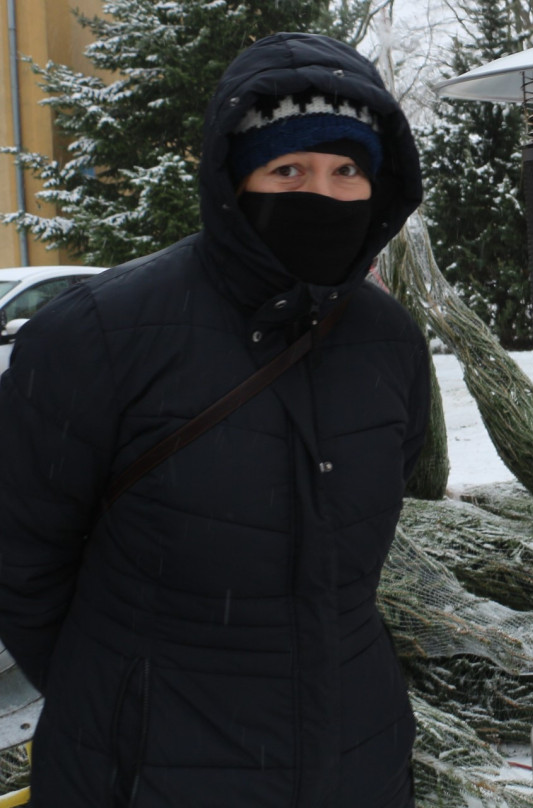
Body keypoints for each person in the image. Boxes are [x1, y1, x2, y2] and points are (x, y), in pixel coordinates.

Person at [0, 32, 428, 807]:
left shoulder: (387, 341)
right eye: (288, 168)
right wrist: (129, 693)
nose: (321, 195)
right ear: (235, 179)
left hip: (354, 756)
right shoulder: (97, 335)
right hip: (147, 767)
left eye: (347, 171)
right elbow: (22, 562)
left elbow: (371, 521)